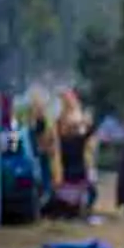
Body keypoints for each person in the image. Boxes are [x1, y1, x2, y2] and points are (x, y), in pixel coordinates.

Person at [50, 89, 98, 219]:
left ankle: (72, 211)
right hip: (73, 167)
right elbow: (89, 132)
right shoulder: (74, 136)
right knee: (74, 194)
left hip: (72, 167)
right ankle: (73, 211)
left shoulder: (65, 133)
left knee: (72, 194)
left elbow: (88, 133)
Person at [27, 87, 55, 202]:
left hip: (41, 153)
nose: (38, 106)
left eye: (39, 104)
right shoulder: (26, 119)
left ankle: (44, 200)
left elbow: (50, 136)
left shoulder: (47, 119)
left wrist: (47, 147)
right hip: (30, 154)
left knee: (44, 179)